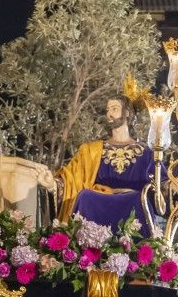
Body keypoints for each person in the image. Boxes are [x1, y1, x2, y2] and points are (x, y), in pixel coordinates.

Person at [54, 95, 155, 230]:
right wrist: (52, 183)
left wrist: (173, 184)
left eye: (114, 109)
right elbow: (71, 178)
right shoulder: (92, 150)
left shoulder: (145, 152)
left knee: (138, 199)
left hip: (132, 202)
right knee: (84, 196)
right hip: (99, 203)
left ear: (127, 113)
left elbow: (161, 183)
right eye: (108, 110)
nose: (109, 114)